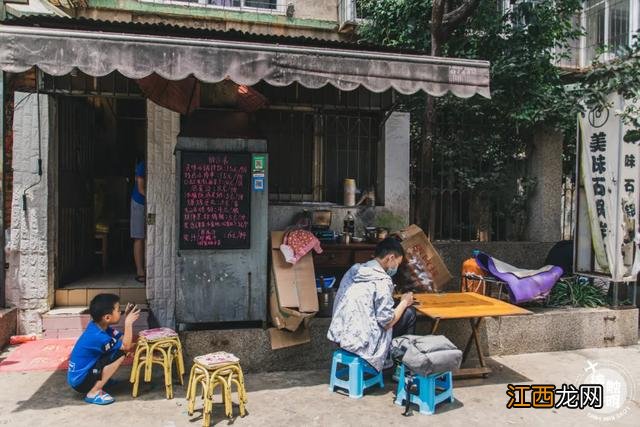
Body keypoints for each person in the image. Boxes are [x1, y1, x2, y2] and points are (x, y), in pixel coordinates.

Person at [327, 237, 417, 372]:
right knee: (409, 313)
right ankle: (401, 367)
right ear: (390, 258)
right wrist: (404, 302)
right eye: (397, 264)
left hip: (340, 337)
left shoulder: (354, 271)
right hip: (364, 345)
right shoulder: (382, 280)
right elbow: (386, 322)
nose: (396, 268)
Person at [67, 294, 141, 405]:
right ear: (107, 317)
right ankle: (93, 392)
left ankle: (101, 381)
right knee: (120, 353)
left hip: (79, 377)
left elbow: (122, 339)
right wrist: (128, 323)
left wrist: (127, 318)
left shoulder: (98, 326)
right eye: (118, 310)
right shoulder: (98, 336)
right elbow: (126, 346)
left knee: (116, 349)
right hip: (81, 382)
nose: (120, 312)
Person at [131, 159, 146, 283]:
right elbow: (141, 189)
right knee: (139, 236)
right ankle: (140, 271)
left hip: (148, 204)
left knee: (147, 237)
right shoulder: (142, 165)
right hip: (139, 203)